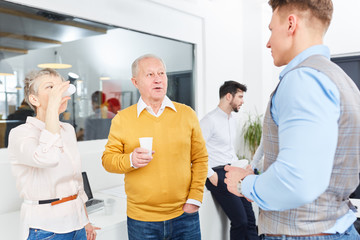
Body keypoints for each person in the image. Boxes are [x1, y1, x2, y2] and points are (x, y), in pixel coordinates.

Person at [224, 0, 360, 239]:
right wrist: (257, 170)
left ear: (290, 25)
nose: (267, 42)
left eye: (270, 30)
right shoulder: (342, 81)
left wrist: (243, 183)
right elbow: (316, 158)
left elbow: (298, 180)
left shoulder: (302, 80)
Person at [102, 54, 208, 240]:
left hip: (185, 215)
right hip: (142, 220)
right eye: (150, 74)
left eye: (161, 73)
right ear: (135, 82)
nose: (158, 78)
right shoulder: (123, 119)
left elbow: (200, 158)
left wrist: (195, 198)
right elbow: (108, 160)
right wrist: (130, 160)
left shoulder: (187, 114)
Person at [8, 68, 99, 240]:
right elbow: (47, 158)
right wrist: (51, 110)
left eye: (60, 87)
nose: (59, 92)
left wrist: (85, 220)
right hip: (46, 229)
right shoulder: (21, 133)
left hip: (77, 223)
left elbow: (76, 182)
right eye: (50, 87)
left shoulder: (68, 130)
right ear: (34, 99)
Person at [200, 81, 259, 240]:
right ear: (228, 96)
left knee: (251, 219)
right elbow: (195, 151)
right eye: (240, 96)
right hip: (217, 173)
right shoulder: (209, 120)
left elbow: (229, 151)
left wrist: (242, 167)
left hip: (232, 170)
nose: (242, 101)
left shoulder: (233, 120)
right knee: (240, 221)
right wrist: (210, 174)